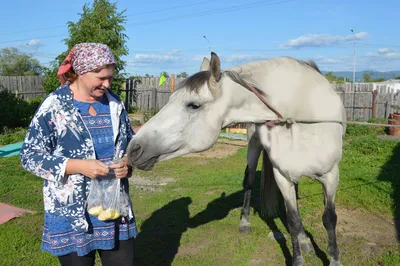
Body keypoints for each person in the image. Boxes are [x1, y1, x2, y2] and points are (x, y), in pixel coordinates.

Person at [20, 42, 137, 266]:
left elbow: (130, 144)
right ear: (80, 72)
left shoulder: (114, 104)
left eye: (110, 77)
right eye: (100, 77)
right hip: (70, 216)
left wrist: (126, 163)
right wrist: (78, 166)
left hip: (113, 209)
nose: (107, 83)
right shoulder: (55, 106)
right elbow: (29, 156)